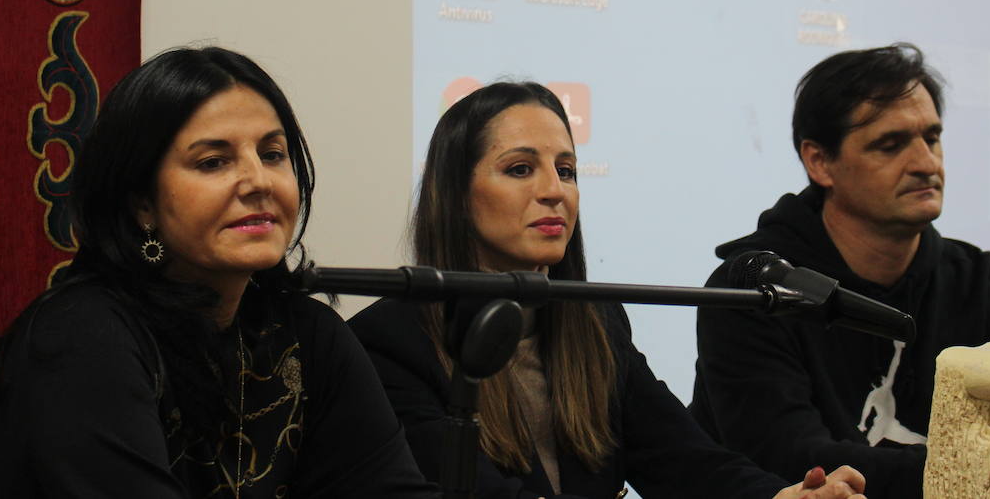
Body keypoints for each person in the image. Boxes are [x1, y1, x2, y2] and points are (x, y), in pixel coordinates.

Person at [350, 81, 867, 499]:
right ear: (456, 195)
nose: (554, 190)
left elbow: (682, 460)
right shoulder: (387, 342)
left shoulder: (595, 320)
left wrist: (785, 497)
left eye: (567, 170)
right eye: (520, 169)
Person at [0, 47, 437, 498]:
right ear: (141, 201)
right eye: (213, 162)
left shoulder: (307, 336)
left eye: (272, 154)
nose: (259, 182)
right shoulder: (81, 337)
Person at [689, 43, 990, 499]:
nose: (926, 163)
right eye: (891, 144)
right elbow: (788, 458)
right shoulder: (756, 291)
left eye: (932, 137)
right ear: (819, 161)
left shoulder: (986, 284)